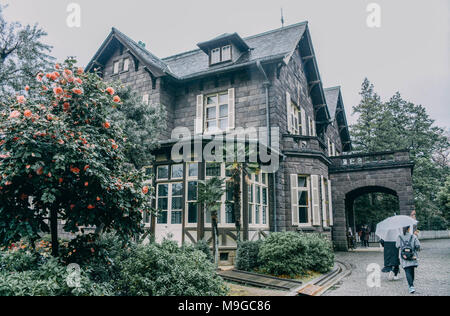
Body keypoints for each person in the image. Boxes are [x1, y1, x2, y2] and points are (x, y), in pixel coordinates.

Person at [396, 226, 421, 294]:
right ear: (409, 229)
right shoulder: (413, 236)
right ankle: (411, 285)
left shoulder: (399, 237)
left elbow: (397, 246)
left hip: (404, 257)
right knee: (412, 270)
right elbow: (418, 246)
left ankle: (411, 286)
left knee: (407, 270)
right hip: (412, 256)